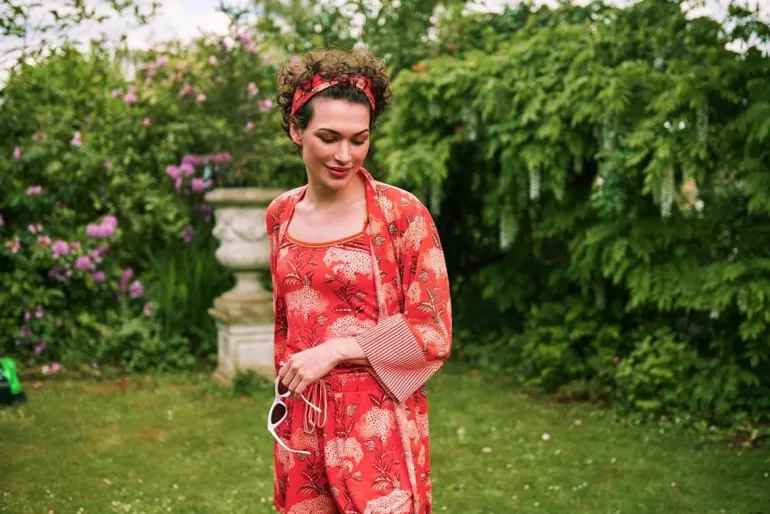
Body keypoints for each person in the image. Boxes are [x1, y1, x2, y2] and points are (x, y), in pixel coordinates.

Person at [266, 48, 452, 514]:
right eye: (328, 138)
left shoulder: (401, 215)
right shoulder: (281, 215)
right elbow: (286, 327)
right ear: (296, 130)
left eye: (359, 139)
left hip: (379, 427)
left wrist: (334, 351)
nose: (344, 155)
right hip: (303, 423)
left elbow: (433, 333)